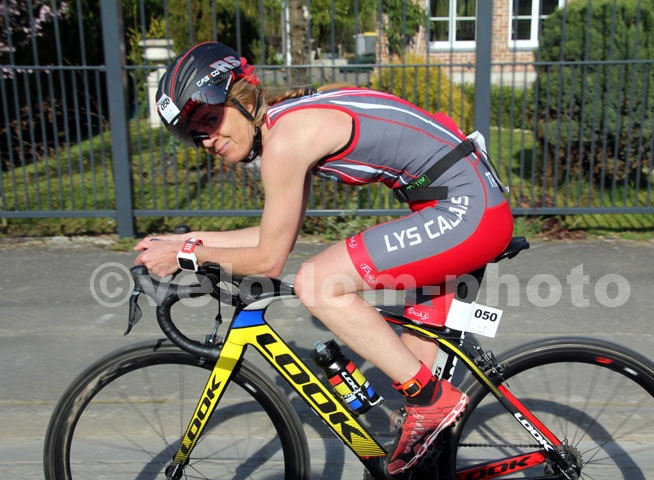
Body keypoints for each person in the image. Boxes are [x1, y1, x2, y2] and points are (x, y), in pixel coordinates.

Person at [135, 41, 514, 476]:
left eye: (209, 119)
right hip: (461, 203)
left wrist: (185, 255)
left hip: (466, 210)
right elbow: (271, 236)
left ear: (240, 97)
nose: (207, 139)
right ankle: (428, 420)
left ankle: (435, 402)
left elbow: (268, 261)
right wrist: (186, 241)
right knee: (412, 412)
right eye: (195, 134)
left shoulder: (286, 140)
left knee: (317, 284)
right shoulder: (287, 123)